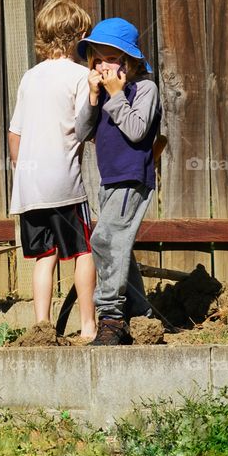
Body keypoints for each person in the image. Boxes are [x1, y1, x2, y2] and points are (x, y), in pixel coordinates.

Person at [8, 0, 97, 341]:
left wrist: (24, 171)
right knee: (83, 251)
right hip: (65, 183)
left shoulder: (29, 77)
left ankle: (42, 327)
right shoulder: (78, 75)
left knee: (43, 256)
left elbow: (14, 134)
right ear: (76, 37)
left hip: (30, 186)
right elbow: (85, 126)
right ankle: (89, 325)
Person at [75, 17, 162, 346]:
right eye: (98, 57)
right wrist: (95, 97)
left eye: (111, 57)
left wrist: (114, 96)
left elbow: (138, 130)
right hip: (109, 180)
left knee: (104, 242)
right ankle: (141, 316)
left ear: (130, 61)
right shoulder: (106, 95)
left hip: (132, 179)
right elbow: (83, 132)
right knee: (118, 247)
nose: (103, 64)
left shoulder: (145, 90)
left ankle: (111, 318)